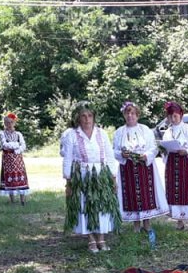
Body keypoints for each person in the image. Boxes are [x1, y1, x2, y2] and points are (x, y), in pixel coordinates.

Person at [61, 102, 120, 252]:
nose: (87, 119)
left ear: (94, 117)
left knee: (100, 205)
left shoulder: (102, 133)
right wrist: (68, 182)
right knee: (85, 204)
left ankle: (101, 237)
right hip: (81, 174)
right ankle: (91, 239)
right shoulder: (72, 135)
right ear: (78, 118)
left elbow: (110, 156)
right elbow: (67, 158)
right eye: (83, 116)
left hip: (100, 173)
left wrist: (113, 178)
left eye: (90, 116)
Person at [113, 101, 168, 233]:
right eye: (127, 113)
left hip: (144, 167)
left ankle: (147, 223)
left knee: (146, 193)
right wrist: (122, 154)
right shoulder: (119, 132)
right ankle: (136, 225)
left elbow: (154, 148)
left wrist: (146, 155)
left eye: (133, 113)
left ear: (137, 115)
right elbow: (113, 151)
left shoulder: (145, 130)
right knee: (131, 194)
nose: (130, 115)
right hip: (128, 168)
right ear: (124, 115)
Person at [161, 101, 188, 232]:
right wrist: (165, 150)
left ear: (181, 115)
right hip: (172, 164)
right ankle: (179, 220)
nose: (172, 118)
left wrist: (187, 151)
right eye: (170, 116)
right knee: (175, 191)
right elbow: (164, 148)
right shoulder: (168, 131)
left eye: (175, 116)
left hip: (186, 164)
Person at [0, 112, 29, 205]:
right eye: (7, 123)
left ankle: (22, 200)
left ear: (14, 123)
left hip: (18, 159)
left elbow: (23, 145)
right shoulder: (2, 133)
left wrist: (17, 150)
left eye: (11, 122)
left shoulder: (18, 134)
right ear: (4, 123)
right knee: (9, 177)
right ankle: (12, 200)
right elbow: (4, 145)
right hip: (7, 159)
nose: (9, 124)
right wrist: (16, 145)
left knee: (21, 176)